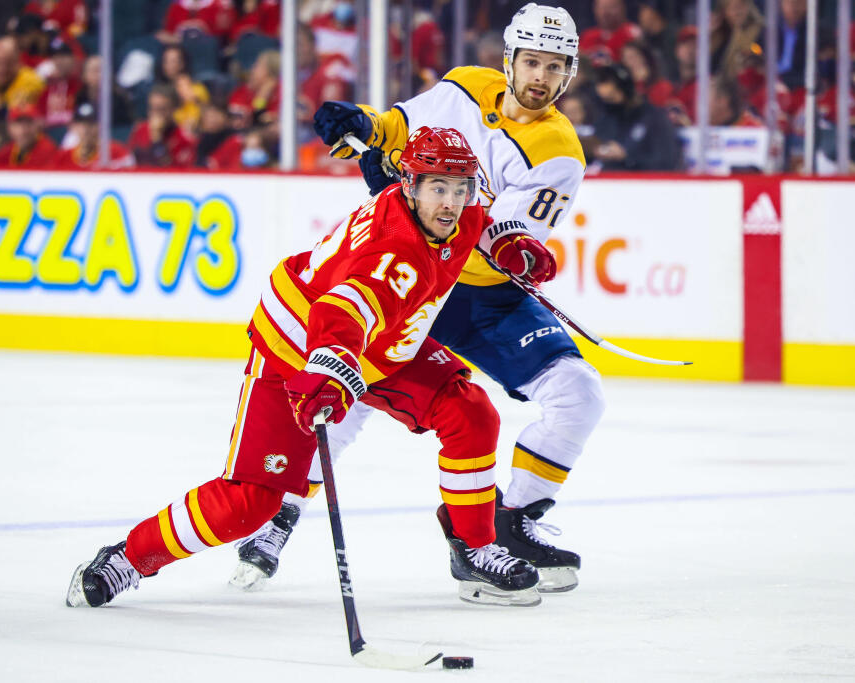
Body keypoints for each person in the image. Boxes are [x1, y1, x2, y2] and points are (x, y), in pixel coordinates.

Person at [66, 126, 556, 608]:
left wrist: (506, 242)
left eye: (460, 188)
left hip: (381, 343)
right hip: (298, 344)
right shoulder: (393, 255)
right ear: (410, 187)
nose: (450, 203)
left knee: (469, 412)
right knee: (248, 504)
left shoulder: (457, 207)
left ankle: (473, 549)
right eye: (438, 189)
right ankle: (129, 558)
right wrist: (329, 372)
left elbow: (480, 219)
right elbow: (341, 311)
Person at [232, 3, 605, 596]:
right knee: (349, 395)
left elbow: (488, 235)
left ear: (571, 73)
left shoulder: (559, 152)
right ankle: (280, 514)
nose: (540, 77)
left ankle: (508, 523)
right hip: (416, 274)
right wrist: (364, 127)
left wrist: (514, 247)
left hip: (479, 293)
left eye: (554, 66)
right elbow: (400, 130)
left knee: (578, 393)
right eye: (531, 61)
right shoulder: (464, 84)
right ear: (509, 60)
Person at [590, 63, 682, 170]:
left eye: (613, 95)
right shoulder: (605, 120)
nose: (609, 101)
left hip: (645, 183)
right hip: (608, 183)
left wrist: (627, 158)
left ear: (625, 89)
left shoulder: (653, 118)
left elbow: (666, 161)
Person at [128, 84, 198, 168]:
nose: (155, 114)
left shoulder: (184, 139)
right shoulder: (140, 130)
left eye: (161, 109)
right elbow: (129, 162)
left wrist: (157, 138)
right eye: (152, 108)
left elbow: (173, 173)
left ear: (174, 109)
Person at [52, 101, 134, 169]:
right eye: (81, 124)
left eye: (91, 123)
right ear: (72, 127)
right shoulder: (63, 156)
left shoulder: (118, 152)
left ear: (100, 125)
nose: (86, 128)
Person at [0, 103, 58, 168]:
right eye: (18, 124)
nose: (23, 131)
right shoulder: (5, 153)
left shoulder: (47, 149)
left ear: (38, 126)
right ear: (9, 128)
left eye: (29, 123)